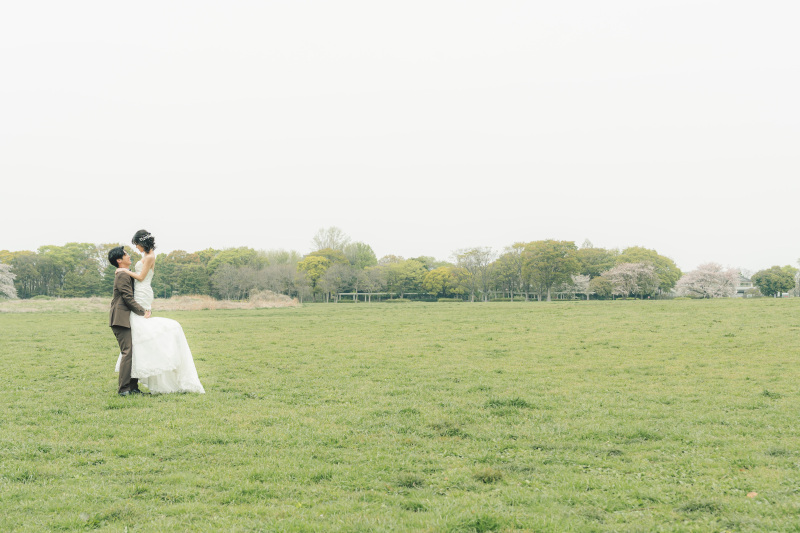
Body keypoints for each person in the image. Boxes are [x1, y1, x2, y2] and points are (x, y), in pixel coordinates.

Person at [114, 230, 205, 394]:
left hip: (142, 292)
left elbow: (141, 277)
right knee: (137, 335)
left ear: (143, 243)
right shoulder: (146, 256)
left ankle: (131, 382)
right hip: (140, 292)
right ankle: (131, 383)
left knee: (139, 331)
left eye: (137, 244)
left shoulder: (150, 257)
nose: (136, 248)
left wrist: (124, 271)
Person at [108, 246, 150, 396]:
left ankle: (133, 387)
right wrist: (142, 311)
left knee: (133, 351)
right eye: (126, 255)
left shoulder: (125, 273)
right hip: (120, 318)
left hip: (126, 318)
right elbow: (127, 297)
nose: (129, 256)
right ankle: (124, 389)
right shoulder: (122, 276)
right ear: (119, 260)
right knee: (128, 352)